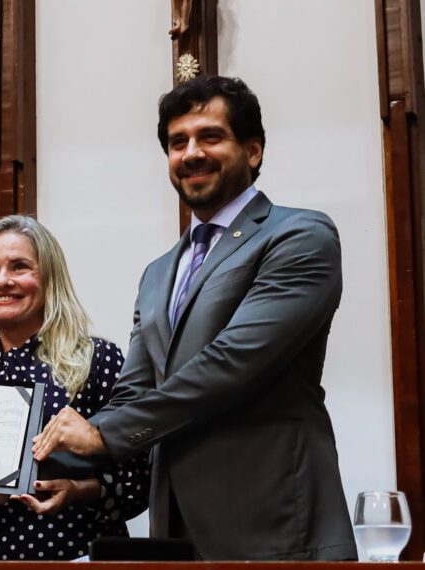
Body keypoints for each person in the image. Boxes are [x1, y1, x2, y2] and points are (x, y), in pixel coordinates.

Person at [32, 75, 356, 560]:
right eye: (177, 142)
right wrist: (15, 471)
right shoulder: (159, 272)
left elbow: (231, 364)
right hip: (175, 532)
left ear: (253, 150)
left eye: (210, 136)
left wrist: (105, 435)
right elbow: (134, 392)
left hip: (275, 526)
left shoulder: (299, 236)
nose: (191, 153)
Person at [0, 215, 149, 561]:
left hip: (80, 556)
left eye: (20, 267)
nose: (2, 281)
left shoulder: (98, 360)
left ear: (50, 278)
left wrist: (78, 490)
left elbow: (142, 480)